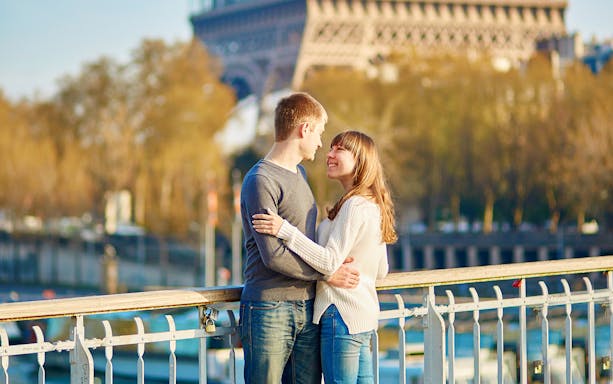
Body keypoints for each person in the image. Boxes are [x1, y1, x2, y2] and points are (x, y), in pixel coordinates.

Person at [252, 130, 398, 384]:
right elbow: (381, 269)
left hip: (339, 313)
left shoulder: (354, 206)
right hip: (363, 317)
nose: (329, 154)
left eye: (339, 149)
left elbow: (329, 262)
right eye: (330, 148)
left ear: (360, 160)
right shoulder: (371, 204)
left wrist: (284, 230)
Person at [239, 92, 361, 384]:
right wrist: (327, 273)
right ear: (304, 129)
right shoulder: (260, 181)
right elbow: (273, 256)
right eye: (318, 133)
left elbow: (304, 240)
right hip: (269, 307)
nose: (321, 142)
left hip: (308, 306)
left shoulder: (301, 174)